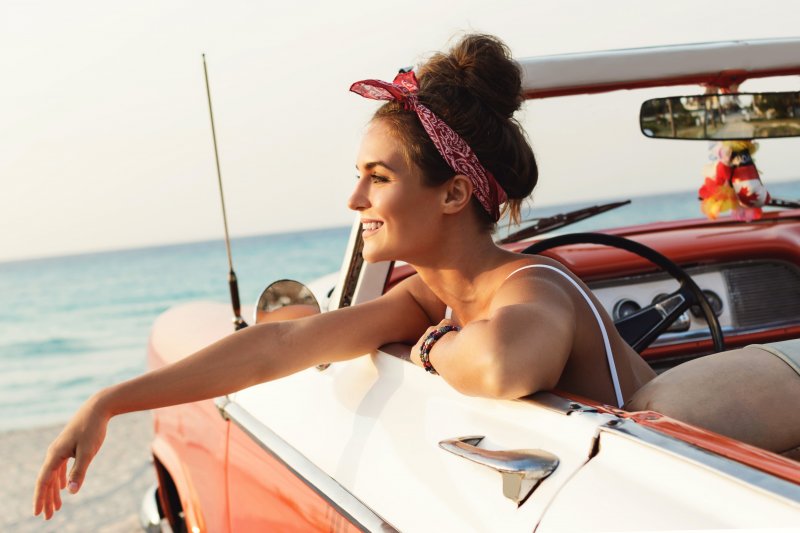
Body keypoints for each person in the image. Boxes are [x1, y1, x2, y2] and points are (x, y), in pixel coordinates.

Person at [33, 34, 798, 520]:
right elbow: (277, 350)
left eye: (376, 177)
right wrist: (110, 400)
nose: (354, 199)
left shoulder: (531, 288)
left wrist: (432, 350)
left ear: (455, 193)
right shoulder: (434, 293)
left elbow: (503, 363)